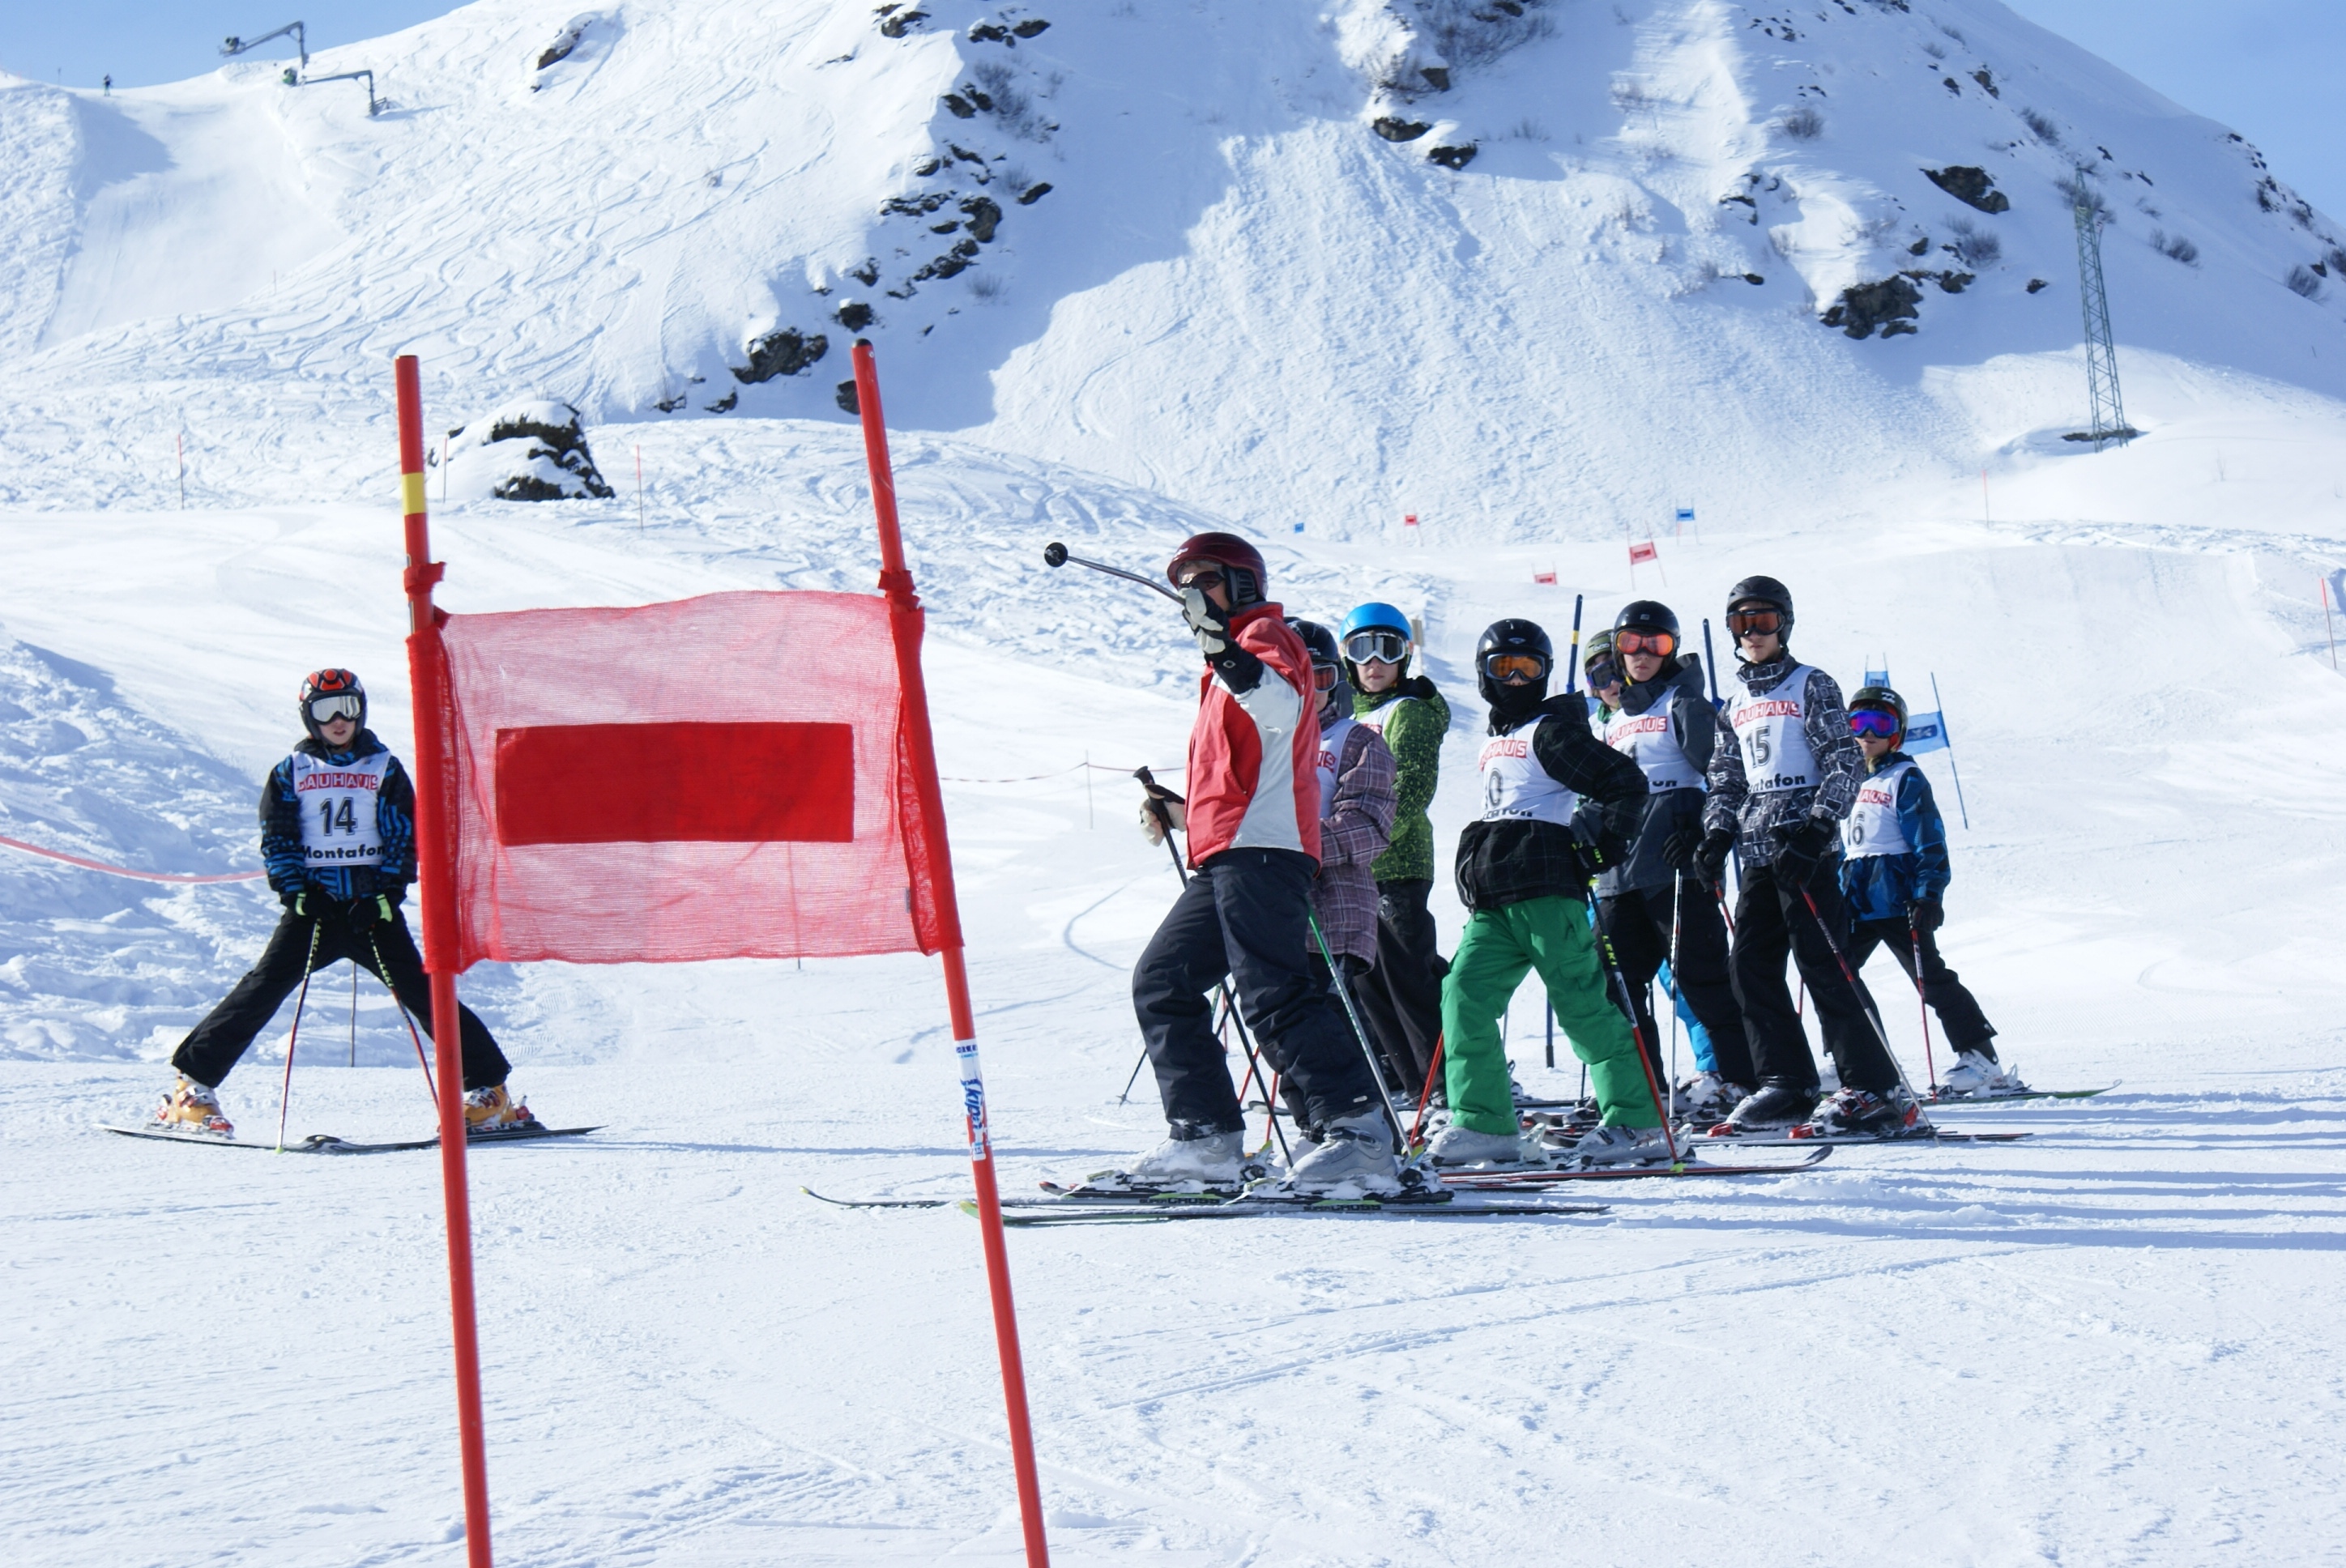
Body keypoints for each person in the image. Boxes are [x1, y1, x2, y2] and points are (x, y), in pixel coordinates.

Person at [1124, 535, 1398, 1194]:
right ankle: (1206, 1137)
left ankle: (1359, 1133)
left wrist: (1224, 649)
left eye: (1206, 579)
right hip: (1228, 849)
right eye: (1185, 583)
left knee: (1273, 992)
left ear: (1243, 583)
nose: (1193, 593)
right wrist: (1180, 813)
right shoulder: (1223, 665)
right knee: (1163, 980)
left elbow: (1278, 707)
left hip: (1266, 849)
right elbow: (1241, 778)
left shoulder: (1267, 638)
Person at [154, 670, 531, 1138]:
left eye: (347, 708)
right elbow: (279, 837)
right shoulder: (292, 770)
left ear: (361, 710)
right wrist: (297, 893)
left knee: (425, 993)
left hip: (369, 912)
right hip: (315, 911)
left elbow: (402, 837)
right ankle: (191, 1087)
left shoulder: (384, 768)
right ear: (308, 717)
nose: (338, 720)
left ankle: (490, 1091)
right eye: (325, 710)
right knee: (262, 989)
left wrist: (385, 897)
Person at [1428, 619, 1666, 1167]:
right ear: (1484, 675)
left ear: (1545, 674)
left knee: (1583, 1006)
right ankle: (1485, 1124)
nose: (1516, 680)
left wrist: (1602, 847)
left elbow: (1625, 782)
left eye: (1528, 669)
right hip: (1494, 902)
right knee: (1461, 995)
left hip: (1547, 896)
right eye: (1504, 668)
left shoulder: (1550, 732)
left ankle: (1637, 1121)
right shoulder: (1496, 739)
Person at [1694, 577, 1911, 1136]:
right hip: (1758, 851)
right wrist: (1716, 835)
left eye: (1764, 621)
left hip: (1804, 849)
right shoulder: (1734, 704)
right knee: (1749, 967)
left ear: (1784, 625)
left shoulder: (1810, 683)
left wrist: (1818, 828)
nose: (1753, 632)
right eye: (1742, 622)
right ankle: (1786, 1082)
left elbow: (1842, 759)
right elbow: (1727, 778)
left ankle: (1873, 1085)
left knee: (1823, 963)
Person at [1581, 600, 1757, 1124]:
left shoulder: (1683, 704)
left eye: (1654, 644)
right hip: (1619, 875)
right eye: (1630, 644)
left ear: (1670, 650)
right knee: (1613, 985)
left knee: (1700, 977)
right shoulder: (1612, 723)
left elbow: (1728, 776)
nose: (1641, 655)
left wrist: (1703, 829)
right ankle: (1639, 1088)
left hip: (1674, 867)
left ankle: (1738, 1079)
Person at [1841, 685, 2015, 1097]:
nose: (1868, 734)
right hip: (1855, 899)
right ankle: (1865, 1062)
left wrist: (1928, 894)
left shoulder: (1905, 777)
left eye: (1880, 723)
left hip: (1897, 897)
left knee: (1929, 978)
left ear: (1897, 733)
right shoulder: (1847, 781)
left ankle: (1982, 1060)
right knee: (1836, 979)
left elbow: (1928, 839)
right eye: (1858, 723)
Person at [1275, 619, 1397, 1122]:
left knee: (1327, 1022)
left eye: (1319, 677)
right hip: (1273, 905)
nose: (1307, 689)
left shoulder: (1356, 741)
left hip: (1334, 909)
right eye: (1290, 677)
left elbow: (1369, 825)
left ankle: (1362, 1126)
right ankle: (1316, 1128)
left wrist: (1295, 845)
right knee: (1281, 1026)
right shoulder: (1266, 744)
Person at [1337, 601, 1448, 1106]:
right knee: (1369, 982)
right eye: (1363, 649)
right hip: (1353, 868)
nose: (1375, 662)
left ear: (1405, 655)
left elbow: (1413, 785)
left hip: (1398, 862)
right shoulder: (1348, 716)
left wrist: (1367, 838)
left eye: (1388, 648)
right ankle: (1410, 1083)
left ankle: (1443, 1083)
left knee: (1407, 976)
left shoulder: (1408, 711)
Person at [1582, 629, 1623, 722]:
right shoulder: (1591, 727)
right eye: (1603, 678)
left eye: (1620, 673)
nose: (1614, 683)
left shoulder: (1654, 715)